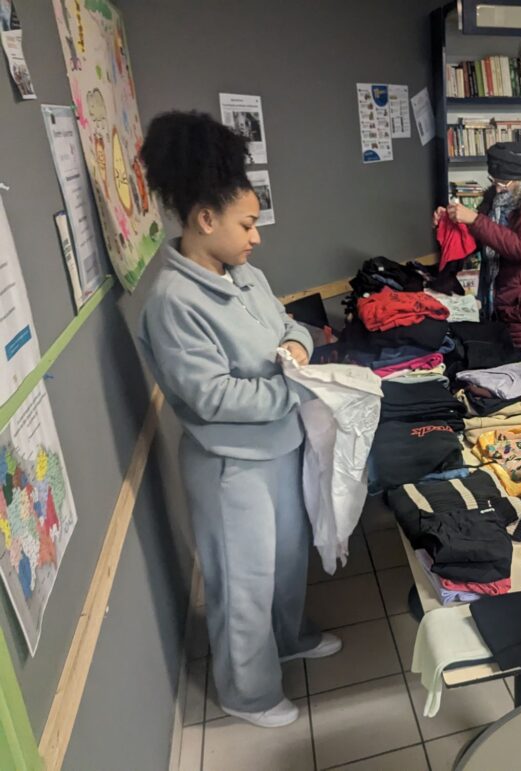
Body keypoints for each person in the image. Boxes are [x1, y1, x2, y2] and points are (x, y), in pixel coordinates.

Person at [137, 111, 341, 729]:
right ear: (205, 220)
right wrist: (291, 385)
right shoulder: (173, 302)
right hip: (232, 465)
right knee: (243, 583)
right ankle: (246, 692)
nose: (256, 237)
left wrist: (300, 350)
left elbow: (290, 327)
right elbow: (213, 398)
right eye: (247, 224)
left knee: (285, 563)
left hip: (280, 448)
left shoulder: (243, 274)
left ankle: (287, 639)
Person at [437, 141, 521, 365]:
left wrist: (475, 220)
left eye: (503, 182)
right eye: (494, 181)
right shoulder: (494, 200)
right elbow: (483, 239)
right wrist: (451, 222)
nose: (498, 188)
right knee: (501, 386)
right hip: (497, 306)